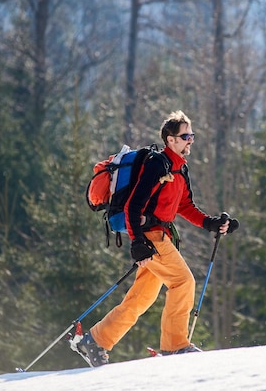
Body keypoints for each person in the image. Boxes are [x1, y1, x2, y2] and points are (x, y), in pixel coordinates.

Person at [77, 110, 237, 366]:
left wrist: (211, 223)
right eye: (185, 136)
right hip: (151, 236)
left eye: (191, 135)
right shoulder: (157, 164)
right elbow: (133, 205)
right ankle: (175, 347)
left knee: (141, 298)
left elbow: (185, 206)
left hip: (161, 236)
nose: (190, 140)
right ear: (170, 139)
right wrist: (137, 242)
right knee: (183, 281)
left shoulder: (180, 168)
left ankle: (96, 341)